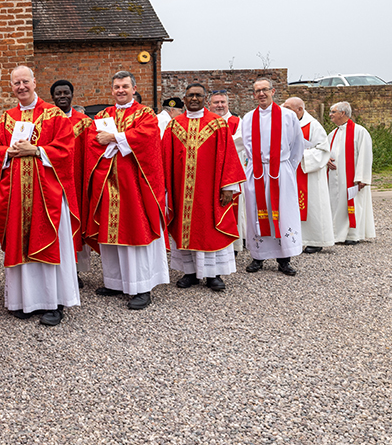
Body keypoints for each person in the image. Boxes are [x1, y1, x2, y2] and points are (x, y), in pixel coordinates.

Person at [0, 66, 80, 325]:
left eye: (25, 81)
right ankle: (26, 301)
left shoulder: (53, 115)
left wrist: (37, 150)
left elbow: (66, 149)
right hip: (16, 195)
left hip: (46, 193)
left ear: (34, 82)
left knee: (49, 243)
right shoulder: (5, 119)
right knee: (21, 245)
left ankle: (54, 302)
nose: (21, 87)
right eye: (16, 83)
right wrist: (8, 152)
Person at [85, 71, 168, 310]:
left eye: (125, 86)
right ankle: (115, 281)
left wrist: (115, 137)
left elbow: (148, 137)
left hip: (134, 186)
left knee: (134, 233)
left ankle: (140, 286)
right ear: (111, 90)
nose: (120, 90)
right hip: (108, 185)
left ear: (133, 88)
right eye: (116, 87)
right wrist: (112, 141)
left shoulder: (145, 114)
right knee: (111, 236)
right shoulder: (102, 115)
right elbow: (93, 140)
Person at [163, 83, 245, 292]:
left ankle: (213, 274)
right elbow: (164, 158)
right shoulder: (174, 125)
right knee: (184, 228)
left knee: (209, 228)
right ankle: (189, 272)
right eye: (190, 95)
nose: (194, 99)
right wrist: (165, 187)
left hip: (209, 189)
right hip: (182, 190)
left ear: (205, 99)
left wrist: (228, 186)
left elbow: (228, 156)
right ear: (184, 98)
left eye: (198, 95)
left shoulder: (217, 124)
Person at [240, 78, 303, 275]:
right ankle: (258, 256)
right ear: (253, 95)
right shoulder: (248, 118)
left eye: (264, 90)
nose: (261, 94)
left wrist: (286, 169)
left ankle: (284, 259)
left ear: (273, 91)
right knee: (256, 211)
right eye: (257, 91)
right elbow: (243, 147)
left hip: (280, 170)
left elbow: (297, 145)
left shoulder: (287, 116)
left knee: (283, 212)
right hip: (257, 172)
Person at [49, 79, 92, 288]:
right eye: (58, 94)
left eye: (66, 92)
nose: (62, 96)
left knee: (76, 224)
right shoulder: (46, 122)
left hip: (76, 180)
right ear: (53, 97)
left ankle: (74, 270)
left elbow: (90, 153)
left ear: (72, 95)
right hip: (53, 182)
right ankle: (58, 269)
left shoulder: (83, 122)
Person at [282, 97, 335, 253]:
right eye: (283, 107)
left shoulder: (313, 126)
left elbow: (323, 150)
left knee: (313, 207)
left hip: (308, 174)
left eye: (289, 108)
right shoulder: (283, 123)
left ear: (300, 110)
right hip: (289, 171)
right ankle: (292, 238)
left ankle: (315, 239)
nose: (285, 111)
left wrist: (301, 155)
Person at [327, 101, 375, 245]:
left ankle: (353, 235)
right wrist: (326, 160)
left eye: (333, 112)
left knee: (354, 203)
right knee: (336, 205)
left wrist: (362, 177)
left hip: (352, 178)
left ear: (343, 113)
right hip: (335, 179)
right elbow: (326, 153)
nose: (330, 115)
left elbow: (365, 155)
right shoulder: (332, 134)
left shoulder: (360, 131)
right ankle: (336, 234)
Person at [209, 88, 247, 252]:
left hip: (232, 170)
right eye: (216, 102)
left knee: (234, 207)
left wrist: (212, 144)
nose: (219, 105)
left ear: (228, 103)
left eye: (222, 102)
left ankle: (234, 244)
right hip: (209, 172)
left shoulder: (237, 122)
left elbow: (240, 141)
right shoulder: (206, 121)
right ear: (209, 104)